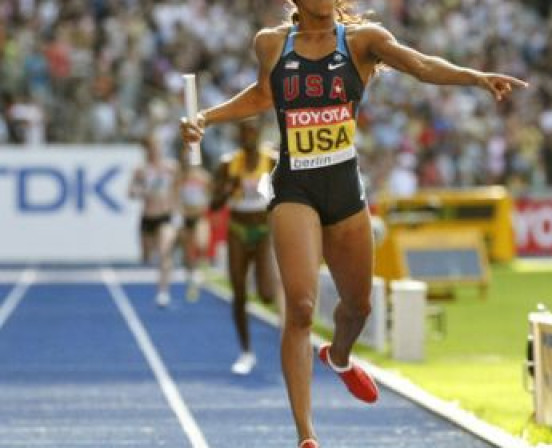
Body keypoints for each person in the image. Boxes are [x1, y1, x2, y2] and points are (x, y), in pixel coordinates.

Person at [179, 1, 527, 446]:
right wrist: (206, 118)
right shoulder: (270, 44)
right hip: (294, 187)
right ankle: (306, 436)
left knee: (358, 307)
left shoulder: (365, 41)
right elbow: (264, 96)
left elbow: (420, 65)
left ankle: (338, 357)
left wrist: (475, 78)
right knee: (301, 308)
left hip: (344, 188)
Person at [210, 118, 285, 375]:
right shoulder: (228, 164)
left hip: (263, 229)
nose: (248, 137)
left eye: (252, 132)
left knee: (265, 294)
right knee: (239, 293)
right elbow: (214, 205)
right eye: (244, 133)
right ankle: (246, 351)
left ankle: (269, 282)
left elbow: (287, 193)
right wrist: (229, 189)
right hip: (238, 230)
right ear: (238, 136)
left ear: (259, 133)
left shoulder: (272, 160)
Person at [128, 134, 179, 307]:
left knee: (165, 252)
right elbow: (130, 192)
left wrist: (178, 209)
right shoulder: (141, 170)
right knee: (146, 256)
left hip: (165, 216)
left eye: (157, 147)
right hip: (148, 217)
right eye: (151, 148)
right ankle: (155, 264)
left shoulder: (171, 167)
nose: (154, 151)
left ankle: (163, 292)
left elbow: (179, 188)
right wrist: (139, 191)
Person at [177, 148, 212, 302]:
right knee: (187, 253)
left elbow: (211, 195)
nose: (187, 162)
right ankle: (191, 278)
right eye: (185, 159)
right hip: (185, 218)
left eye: (189, 159)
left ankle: (202, 273)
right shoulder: (180, 178)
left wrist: (205, 206)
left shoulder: (204, 177)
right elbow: (175, 196)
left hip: (199, 217)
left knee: (201, 244)